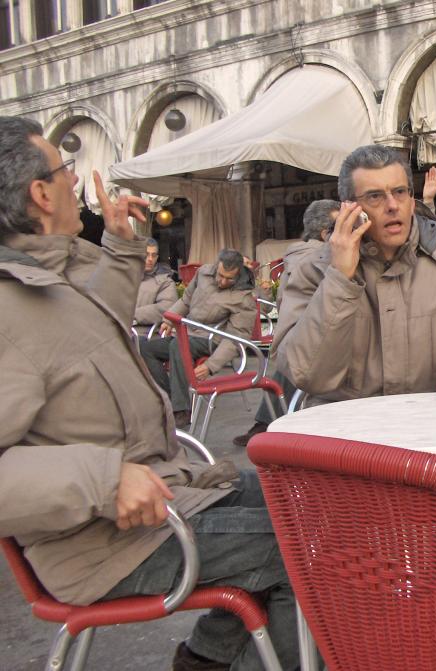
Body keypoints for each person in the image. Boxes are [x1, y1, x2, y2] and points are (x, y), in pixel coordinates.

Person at [0, 116, 299, 671]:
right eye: (63, 170)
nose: (74, 182)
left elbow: (90, 335)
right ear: (40, 193)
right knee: (317, 547)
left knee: (310, 495)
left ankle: (207, 659)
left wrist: (117, 247)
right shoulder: (7, 310)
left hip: (170, 496)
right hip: (111, 546)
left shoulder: (48, 281)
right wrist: (103, 478)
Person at [274, 144, 436, 404]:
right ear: (350, 208)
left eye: (400, 192)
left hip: (434, 424)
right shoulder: (315, 270)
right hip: (347, 432)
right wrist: (339, 278)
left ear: (412, 199)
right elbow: (306, 372)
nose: (392, 206)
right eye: (375, 197)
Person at [232, 199, 340, 447]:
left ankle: (264, 422)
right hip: (315, 345)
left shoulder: (296, 257)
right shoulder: (316, 260)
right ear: (326, 234)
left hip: (294, 343)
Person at [139, 248, 257, 428]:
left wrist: (211, 366)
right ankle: (168, 398)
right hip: (188, 333)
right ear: (217, 266)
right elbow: (186, 301)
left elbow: (236, 338)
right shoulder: (203, 273)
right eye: (220, 275)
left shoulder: (244, 297)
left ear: (239, 273)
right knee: (144, 349)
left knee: (178, 346)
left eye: (229, 278)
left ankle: (182, 411)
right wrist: (169, 319)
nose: (223, 281)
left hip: (212, 339)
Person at [133, 237, 178, 335]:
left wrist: (133, 314)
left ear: (157, 258)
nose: (150, 259)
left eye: (153, 255)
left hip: (145, 334)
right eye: (146, 254)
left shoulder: (165, 281)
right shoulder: (127, 276)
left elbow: (167, 308)